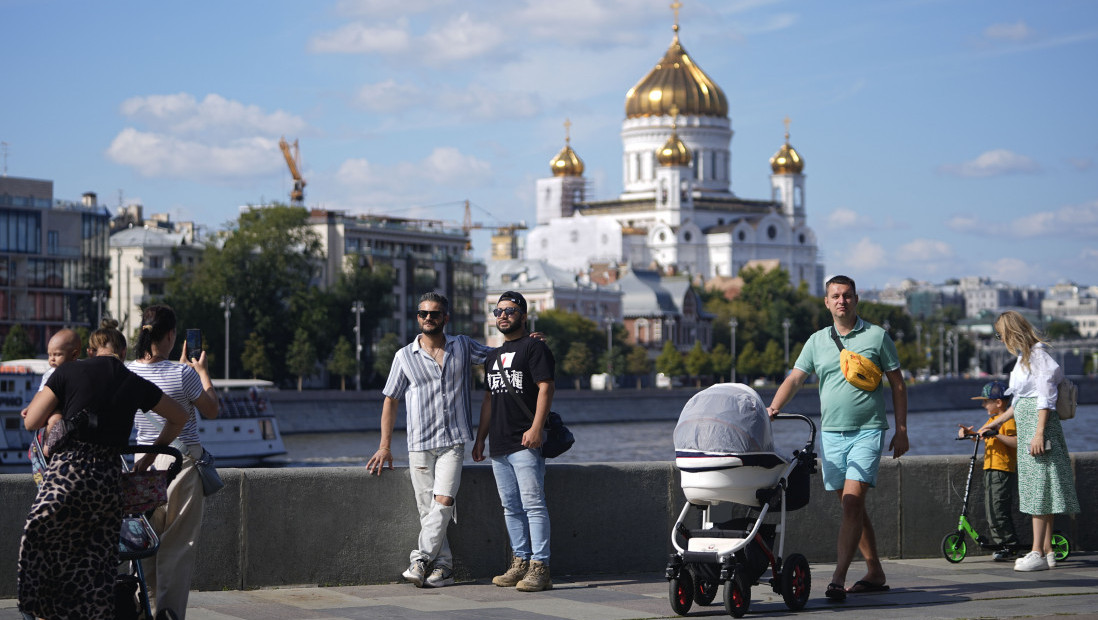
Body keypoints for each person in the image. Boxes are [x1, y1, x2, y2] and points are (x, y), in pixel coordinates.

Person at [18, 326, 189, 620]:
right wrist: (149, 456)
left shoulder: (67, 372)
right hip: (107, 482)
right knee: (97, 562)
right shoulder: (132, 380)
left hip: (67, 474)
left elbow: (31, 422)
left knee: (40, 534)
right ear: (123, 353)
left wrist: (55, 413)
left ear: (89, 351)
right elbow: (180, 417)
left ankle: (41, 609)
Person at [766, 275, 908, 602]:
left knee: (852, 502)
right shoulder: (816, 341)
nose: (841, 301)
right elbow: (796, 379)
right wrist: (772, 408)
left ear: (856, 300)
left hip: (868, 431)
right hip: (831, 435)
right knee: (851, 507)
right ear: (827, 302)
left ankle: (837, 579)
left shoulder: (877, 336)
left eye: (847, 295)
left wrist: (901, 430)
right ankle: (875, 572)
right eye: (835, 296)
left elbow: (898, 385)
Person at [367, 292, 492, 588]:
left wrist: (526, 341)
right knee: (429, 510)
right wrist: (385, 446)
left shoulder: (462, 346)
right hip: (419, 444)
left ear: (445, 318)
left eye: (434, 314)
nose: (428, 318)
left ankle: (420, 558)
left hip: (453, 442)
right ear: (418, 317)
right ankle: (445, 567)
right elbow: (390, 401)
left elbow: (496, 356)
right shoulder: (404, 357)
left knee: (444, 500)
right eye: (423, 313)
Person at [128, 305, 220, 618]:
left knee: (144, 542)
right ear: (171, 335)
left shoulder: (130, 371)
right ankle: (168, 613)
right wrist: (202, 373)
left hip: (143, 463)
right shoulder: (184, 374)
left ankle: (141, 607)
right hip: (181, 464)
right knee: (178, 545)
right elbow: (210, 409)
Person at [978, 310, 1079, 572]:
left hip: (1037, 429)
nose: (1000, 340)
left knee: (1037, 489)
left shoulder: (1037, 356)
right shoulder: (1025, 357)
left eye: (1000, 335)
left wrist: (1039, 433)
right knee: (1042, 488)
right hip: (1030, 428)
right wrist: (996, 422)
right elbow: (1021, 400)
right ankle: (1046, 550)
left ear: (1011, 332)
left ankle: (1036, 551)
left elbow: (1045, 399)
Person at [473, 291, 556, 593]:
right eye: (498, 311)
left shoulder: (535, 348)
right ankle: (519, 561)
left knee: (533, 505)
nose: (503, 316)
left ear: (523, 315)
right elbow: (488, 401)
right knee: (510, 507)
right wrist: (480, 438)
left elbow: (546, 388)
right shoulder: (492, 357)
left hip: (526, 441)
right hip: (499, 443)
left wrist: (536, 428)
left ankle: (540, 567)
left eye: (510, 310)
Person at [958, 381, 1019, 561]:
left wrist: (997, 435)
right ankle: (1000, 544)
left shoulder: (1009, 419)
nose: (984, 405)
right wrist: (968, 434)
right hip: (990, 468)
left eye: (986, 401)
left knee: (999, 509)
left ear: (999, 402)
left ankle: (1010, 545)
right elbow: (982, 435)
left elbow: (1016, 441)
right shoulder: (992, 420)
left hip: (1002, 469)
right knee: (991, 510)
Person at [21, 328, 82, 455]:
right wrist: (30, 407)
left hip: (72, 408)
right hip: (56, 408)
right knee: (55, 420)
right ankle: (47, 446)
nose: (52, 359)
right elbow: (40, 393)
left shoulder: (81, 369)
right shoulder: (50, 374)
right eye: (50, 355)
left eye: (57, 354)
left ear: (74, 354)